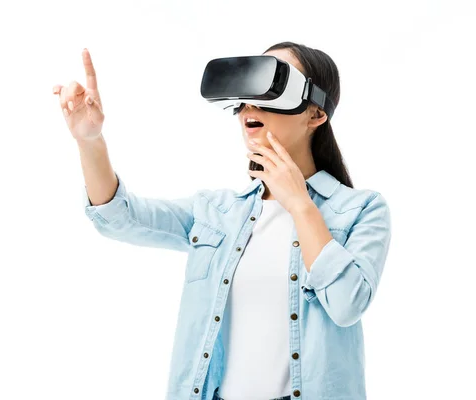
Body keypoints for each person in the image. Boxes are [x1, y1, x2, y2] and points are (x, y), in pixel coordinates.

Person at [53, 41, 392, 400]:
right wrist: (90, 142)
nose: (250, 103)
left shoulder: (362, 210)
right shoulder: (217, 212)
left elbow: (346, 305)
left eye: (271, 86)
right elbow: (117, 218)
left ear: (315, 114)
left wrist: (300, 204)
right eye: (247, 89)